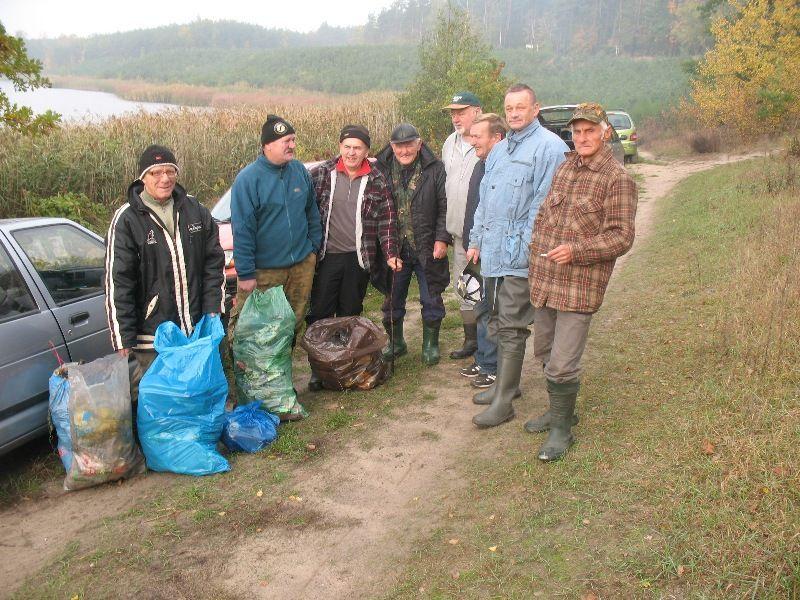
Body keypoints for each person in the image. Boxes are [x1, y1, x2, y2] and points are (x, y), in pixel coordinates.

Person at [526, 102, 637, 461]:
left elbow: (622, 237)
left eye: (590, 130)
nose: (583, 137)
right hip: (545, 278)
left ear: (605, 132)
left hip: (580, 284)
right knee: (544, 352)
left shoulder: (617, 178)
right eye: (577, 131)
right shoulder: (565, 166)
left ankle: (562, 431)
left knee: (562, 363)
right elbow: (545, 215)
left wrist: (576, 250)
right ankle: (561, 411)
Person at [467, 83, 569, 428]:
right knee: (497, 318)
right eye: (509, 107)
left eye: (520, 107)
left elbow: (543, 206)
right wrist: (476, 239)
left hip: (520, 258)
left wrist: (525, 250)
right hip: (493, 256)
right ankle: (504, 387)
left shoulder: (549, 148)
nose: (513, 113)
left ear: (535, 109)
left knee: (511, 326)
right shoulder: (500, 149)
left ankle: (504, 402)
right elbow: (485, 200)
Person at [105, 144, 225, 401]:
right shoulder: (127, 220)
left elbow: (213, 261)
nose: (165, 178)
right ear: (143, 178)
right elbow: (118, 281)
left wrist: (213, 304)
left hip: (193, 326)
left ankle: (193, 438)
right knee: (163, 397)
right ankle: (159, 440)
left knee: (194, 392)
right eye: (156, 172)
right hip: (152, 333)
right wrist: (121, 335)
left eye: (170, 171)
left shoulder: (195, 210)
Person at [306, 124, 402, 391]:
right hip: (326, 257)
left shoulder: (377, 179)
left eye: (357, 148)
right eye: (347, 147)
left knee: (350, 313)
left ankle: (346, 367)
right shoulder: (321, 174)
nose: (351, 152)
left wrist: (391, 252)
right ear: (339, 147)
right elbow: (307, 211)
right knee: (321, 316)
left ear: (366, 151)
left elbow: (387, 220)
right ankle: (320, 369)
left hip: (358, 258)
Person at [228, 114, 322, 342]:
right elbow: (242, 230)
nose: (292, 145)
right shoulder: (248, 180)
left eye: (293, 140)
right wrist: (246, 273)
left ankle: (282, 371)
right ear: (267, 145)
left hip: (301, 266)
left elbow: (311, 211)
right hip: (265, 273)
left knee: (293, 323)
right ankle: (255, 375)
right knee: (258, 330)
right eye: (287, 141)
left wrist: (313, 248)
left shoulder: (299, 171)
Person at [375, 123, 450, 366]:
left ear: (419, 144)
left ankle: (430, 344)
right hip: (394, 248)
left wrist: (442, 238)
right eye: (399, 145)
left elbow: (444, 206)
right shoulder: (381, 169)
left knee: (431, 297)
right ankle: (396, 342)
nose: (404, 150)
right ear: (391, 146)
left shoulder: (435, 168)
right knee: (392, 297)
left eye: (409, 145)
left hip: (427, 245)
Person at [458, 113, 507, 389]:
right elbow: (478, 209)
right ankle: (484, 359)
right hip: (480, 248)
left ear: (496, 138)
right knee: (480, 305)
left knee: (491, 309)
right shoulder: (484, 163)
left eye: (478, 136)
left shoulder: (501, 167)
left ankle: (493, 367)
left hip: (497, 251)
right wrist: (473, 242)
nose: (472, 140)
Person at [441, 91, 482, 360]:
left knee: (485, 290)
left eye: (462, 111)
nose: (456, 117)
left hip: (482, 236)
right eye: (453, 113)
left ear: (477, 111)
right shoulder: (449, 143)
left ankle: (491, 344)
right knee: (464, 288)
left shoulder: (489, 141)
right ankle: (471, 341)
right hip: (458, 233)